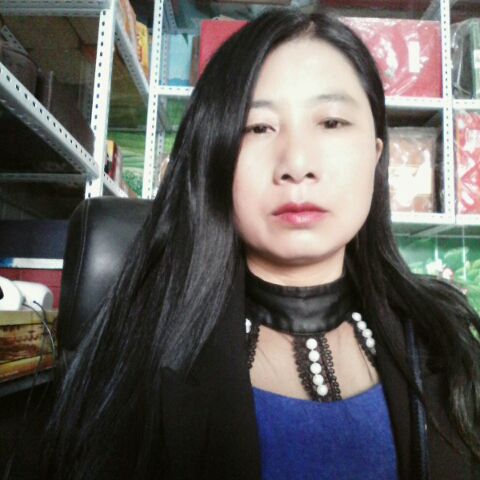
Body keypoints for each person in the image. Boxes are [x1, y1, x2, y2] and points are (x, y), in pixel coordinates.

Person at [20, 7, 480, 480]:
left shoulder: (446, 343)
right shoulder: (138, 355)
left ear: (376, 154)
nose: (296, 164)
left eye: (332, 122)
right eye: (258, 127)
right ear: (214, 154)